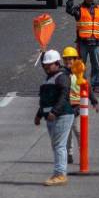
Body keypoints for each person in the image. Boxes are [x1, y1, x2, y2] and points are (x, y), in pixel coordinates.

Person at [35, 50, 75, 186]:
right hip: (52, 116)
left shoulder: (61, 77)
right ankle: (58, 173)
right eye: (45, 66)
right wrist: (39, 114)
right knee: (57, 145)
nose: (46, 68)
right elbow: (45, 99)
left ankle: (60, 174)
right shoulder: (49, 78)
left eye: (49, 65)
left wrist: (55, 112)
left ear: (57, 64)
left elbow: (64, 95)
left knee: (59, 145)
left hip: (62, 115)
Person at [66, 0, 99, 93]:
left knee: (95, 64)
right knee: (81, 64)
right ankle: (81, 83)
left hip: (95, 43)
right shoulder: (79, 9)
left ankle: (95, 84)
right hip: (83, 42)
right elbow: (69, 10)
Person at [62, 47, 99, 163]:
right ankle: (69, 155)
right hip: (66, 108)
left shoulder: (80, 73)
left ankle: (83, 154)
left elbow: (87, 88)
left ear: (75, 60)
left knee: (78, 131)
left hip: (77, 107)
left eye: (70, 59)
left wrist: (94, 101)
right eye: (66, 60)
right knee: (67, 134)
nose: (68, 62)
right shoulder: (62, 74)